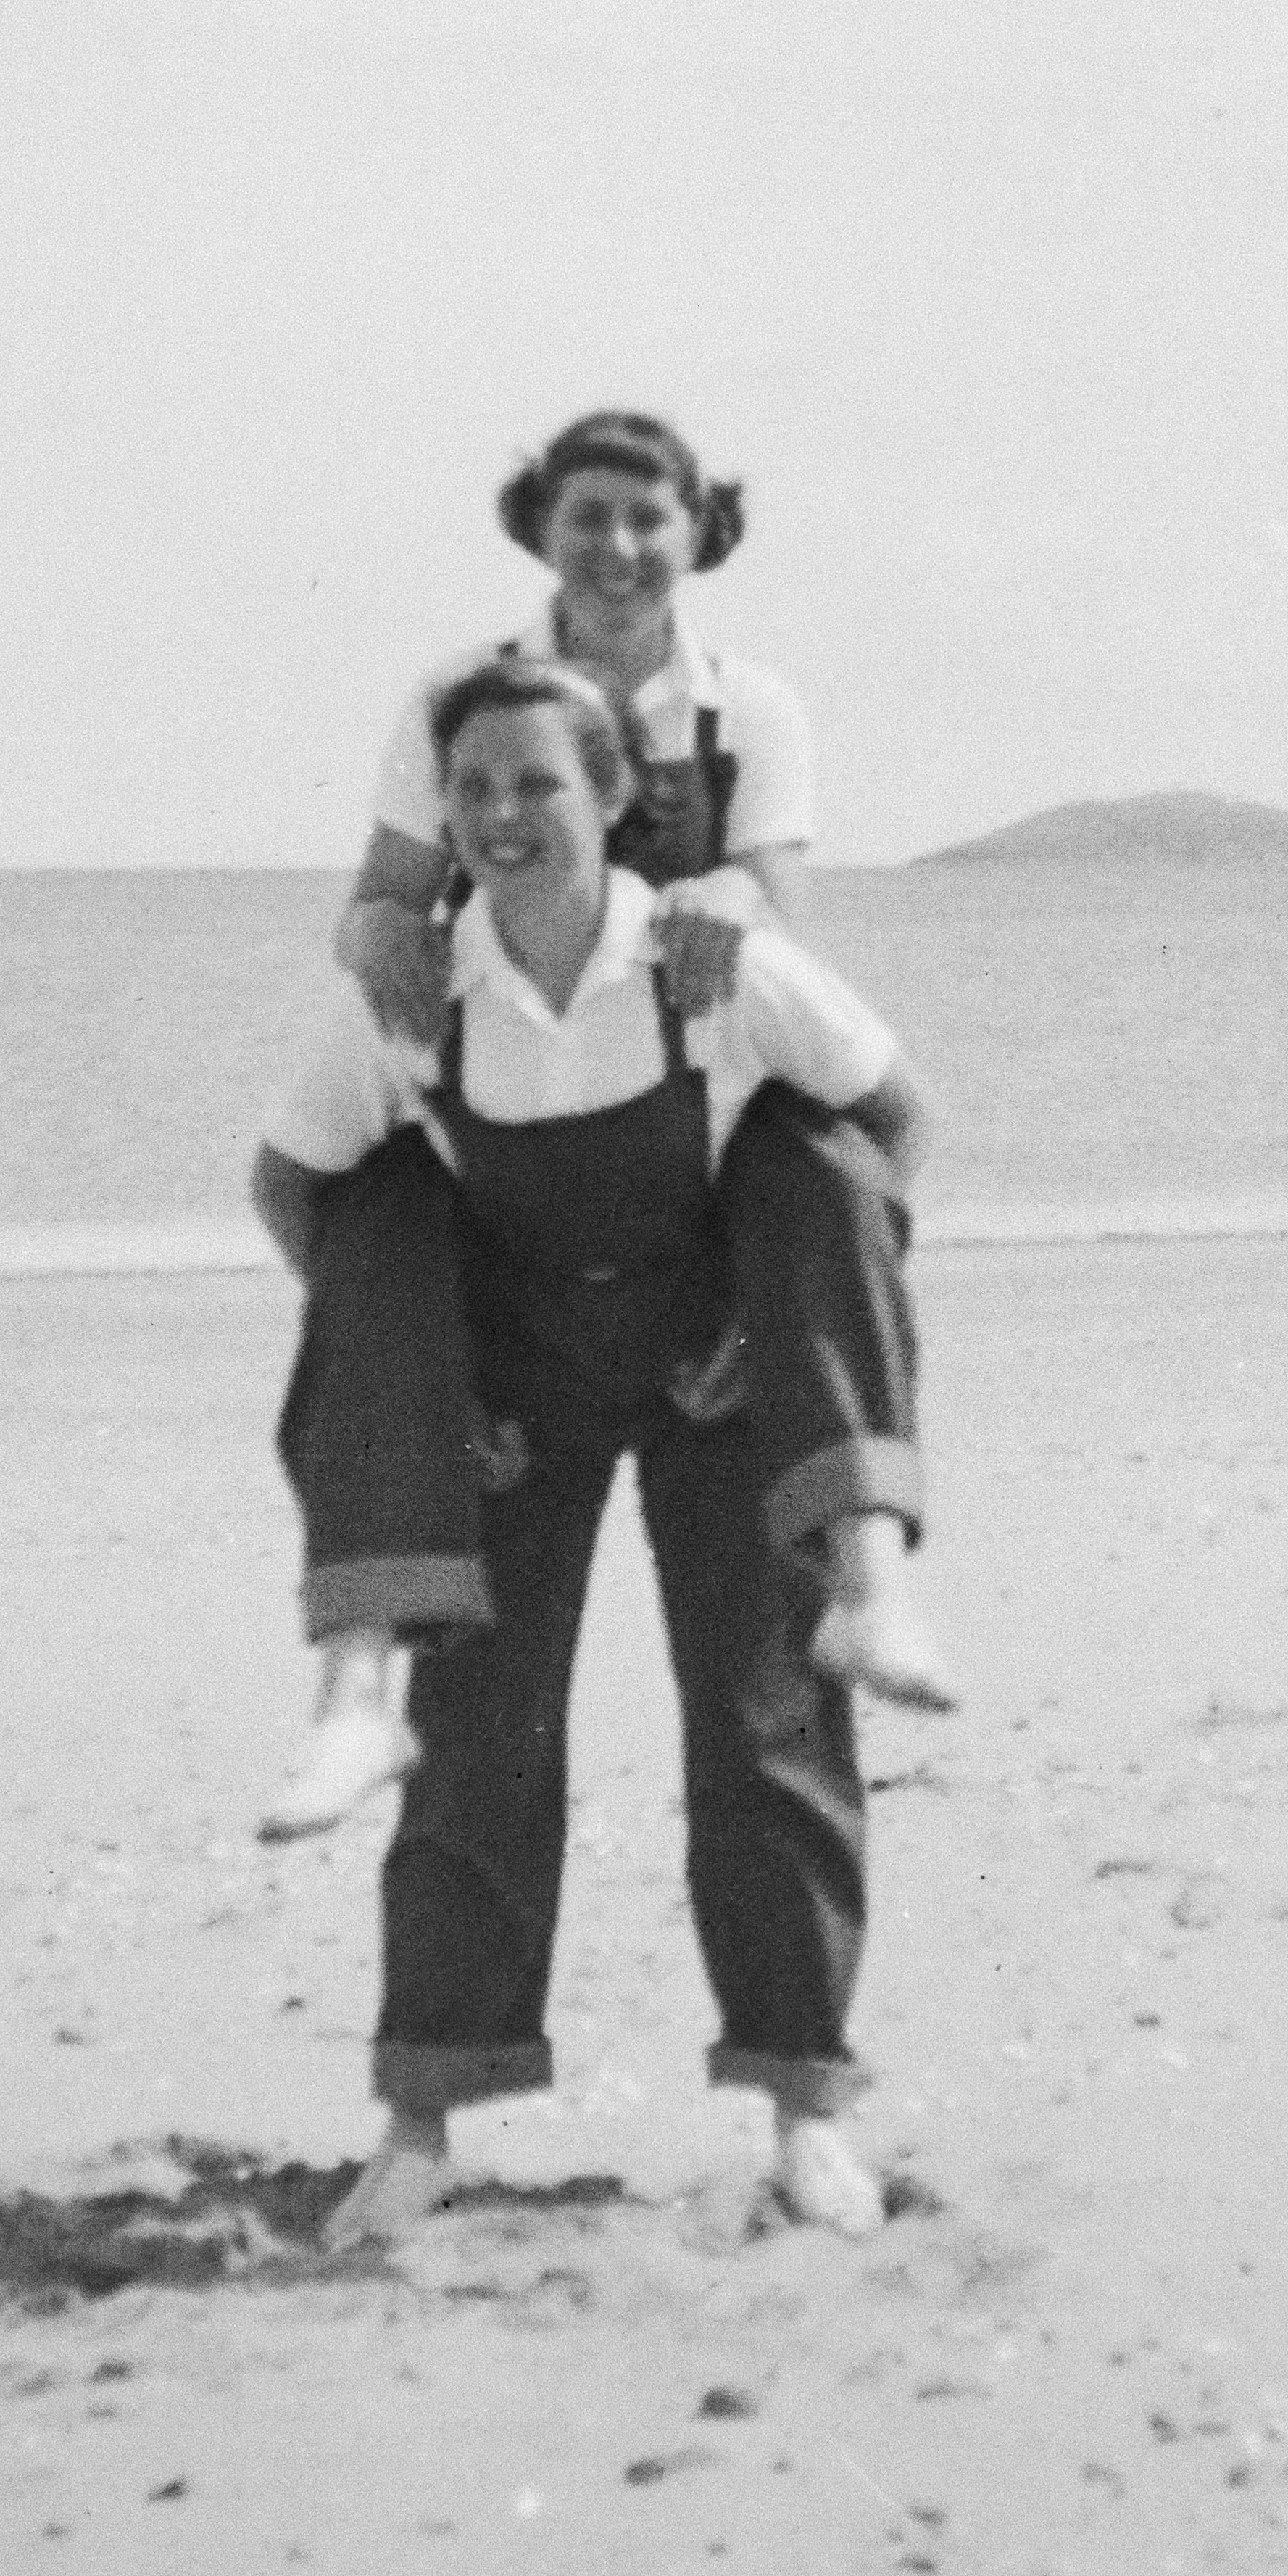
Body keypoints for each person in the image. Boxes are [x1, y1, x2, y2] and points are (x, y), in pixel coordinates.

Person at [253, 655, 928, 2246]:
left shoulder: (715, 962)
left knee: (769, 1722)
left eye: (538, 782)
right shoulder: (416, 996)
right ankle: (422, 2127)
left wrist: (775, 1336)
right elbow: (293, 1186)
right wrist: (427, 1388)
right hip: (520, 1389)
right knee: (478, 1736)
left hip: (709, 1369)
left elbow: (891, 1122)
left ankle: (806, 2117)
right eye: (474, 787)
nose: (500, 815)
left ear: (614, 796)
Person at [265, 408, 946, 1844]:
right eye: (588, 516)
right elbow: (384, 887)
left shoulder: (744, 706)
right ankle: (357, 1698)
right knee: (376, 1211)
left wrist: (722, 910)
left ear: (699, 529)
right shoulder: (462, 693)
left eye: (651, 516)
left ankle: (876, 1573)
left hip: (699, 1060)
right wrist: (375, 944)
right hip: (501, 1065)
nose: (620, 548)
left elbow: (777, 896)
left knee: (817, 1161)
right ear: (539, 527)